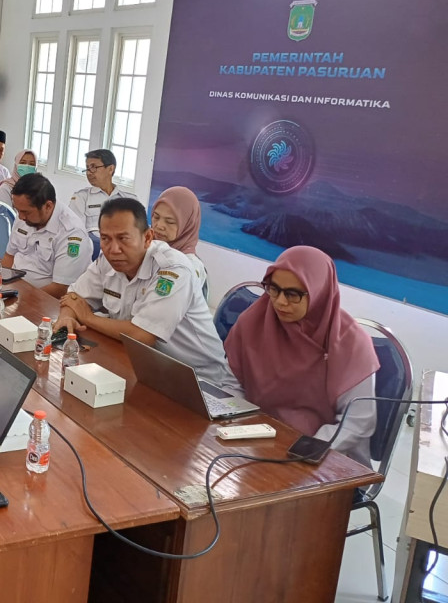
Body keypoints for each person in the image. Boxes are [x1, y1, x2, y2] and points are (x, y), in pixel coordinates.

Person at [56, 198, 239, 391]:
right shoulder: (107, 261)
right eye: (105, 238)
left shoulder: (172, 269)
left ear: (148, 238)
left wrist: (86, 316)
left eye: (123, 238)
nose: (113, 249)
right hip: (146, 368)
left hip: (202, 380)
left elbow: (141, 336)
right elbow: (74, 296)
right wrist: (67, 317)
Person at [224, 246, 379, 465]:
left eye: (293, 294)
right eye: (274, 289)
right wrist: (233, 424)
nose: (279, 302)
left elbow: (356, 422)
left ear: (319, 292)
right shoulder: (254, 322)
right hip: (257, 442)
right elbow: (232, 384)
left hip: (323, 458)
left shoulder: (350, 343)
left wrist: (302, 452)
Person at [2, 173, 90, 297]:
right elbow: (9, 256)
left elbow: (61, 288)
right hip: (14, 290)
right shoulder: (24, 216)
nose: (20, 217)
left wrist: (21, 298)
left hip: (45, 302)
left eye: (25, 212)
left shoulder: (72, 233)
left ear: (48, 206)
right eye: (18, 210)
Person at [151, 186, 209, 297]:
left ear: (187, 225)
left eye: (170, 222)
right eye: (156, 217)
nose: (159, 226)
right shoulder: (147, 248)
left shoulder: (189, 266)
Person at [68, 148, 138, 232]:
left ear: (110, 169)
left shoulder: (130, 200)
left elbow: (137, 231)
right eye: (87, 168)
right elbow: (75, 232)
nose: (89, 173)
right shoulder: (81, 197)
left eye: (94, 167)